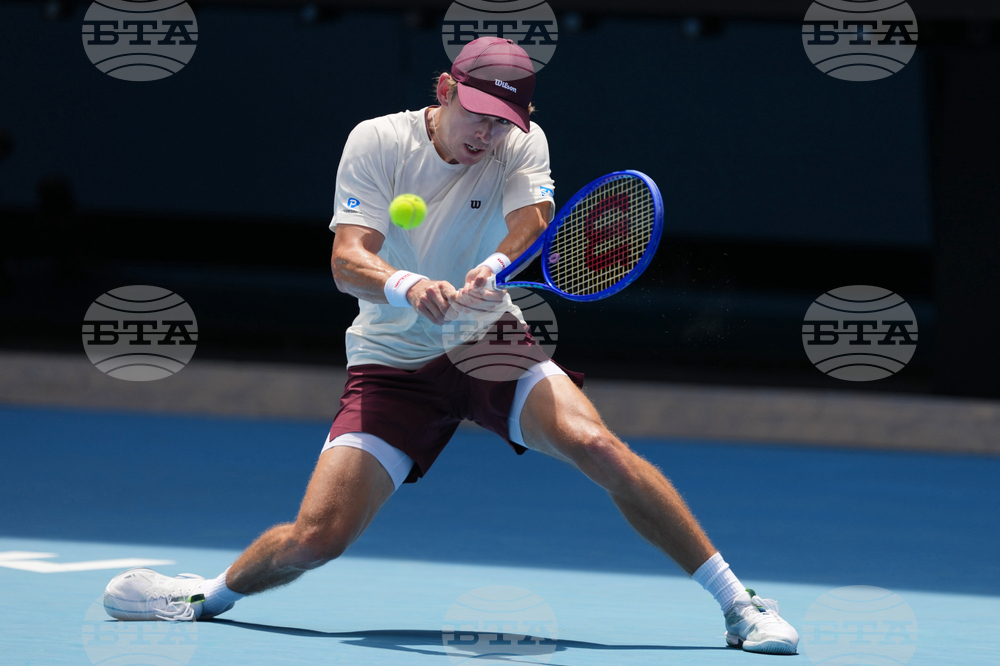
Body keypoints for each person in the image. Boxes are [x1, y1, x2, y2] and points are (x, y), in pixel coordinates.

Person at [103, 37, 799, 655]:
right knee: (316, 538)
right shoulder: (376, 141)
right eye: (479, 116)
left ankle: (741, 605)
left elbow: (534, 219)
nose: (489, 135)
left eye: (504, 123)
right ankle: (204, 597)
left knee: (599, 446)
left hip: (488, 339)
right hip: (391, 365)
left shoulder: (521, 141)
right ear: (444, 90)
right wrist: (407, 285)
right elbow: (349, 260)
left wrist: (495, 266)